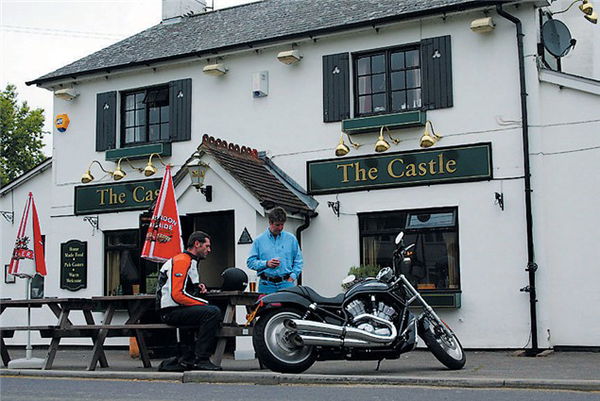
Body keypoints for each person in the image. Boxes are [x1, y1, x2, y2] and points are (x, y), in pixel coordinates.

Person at [156, 231, 222, 371]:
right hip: (170, 311)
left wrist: (198, 288)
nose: (209, 250)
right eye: (207, 246)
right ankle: (201, 359)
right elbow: (177, 295)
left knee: (209, 312)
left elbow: (186, 289)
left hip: (175, 309)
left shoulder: (191, 262)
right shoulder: (182, 260)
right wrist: (203, 303)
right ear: (197, 244)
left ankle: (189, 357)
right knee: (212, 312)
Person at [247, 207, 303, 294]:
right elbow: (250, 262)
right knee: (267, 308)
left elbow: (298, 261)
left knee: (287, 308)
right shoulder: (259, 241)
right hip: (266, 285)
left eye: (282, 224)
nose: (280, 228)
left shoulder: (291, 239)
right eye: (277, 225)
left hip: (286, 283)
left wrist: (292, 277)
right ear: (270, 223)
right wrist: (266, 263)